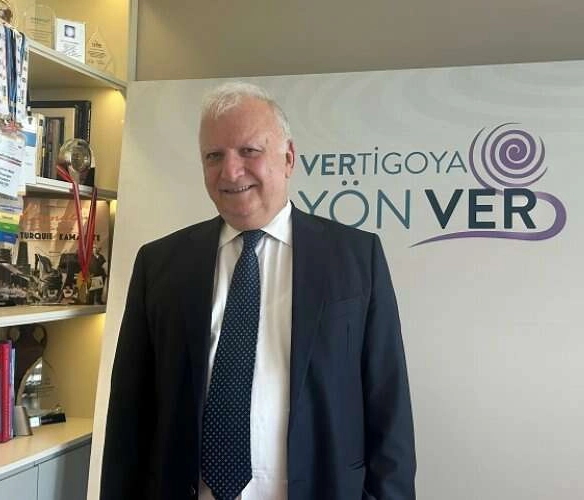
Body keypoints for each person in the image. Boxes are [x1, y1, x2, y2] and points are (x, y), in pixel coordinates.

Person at [100, 82, 416, 500]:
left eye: (249, 151)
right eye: (214, 156)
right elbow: (129, 416)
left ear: (288, 158)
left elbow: (388, 407)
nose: (231, 172)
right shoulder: (160, 264)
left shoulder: (357, 258)